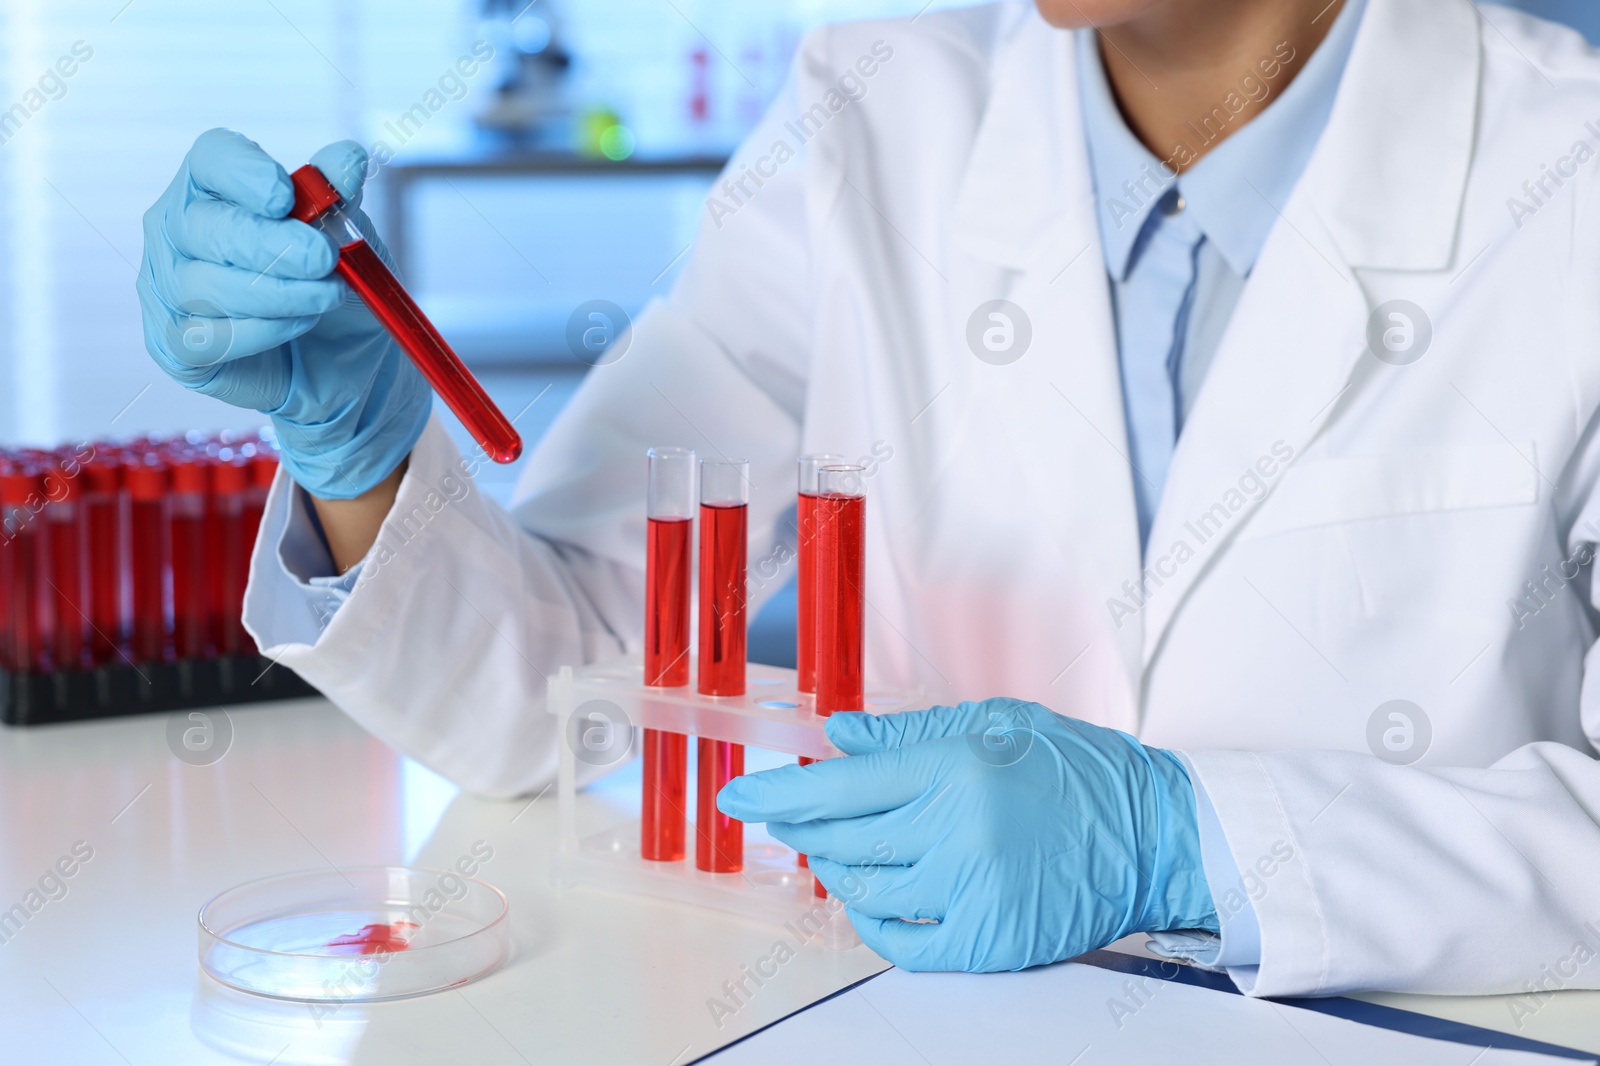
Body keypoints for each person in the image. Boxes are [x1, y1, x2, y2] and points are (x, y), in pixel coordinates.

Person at [138, 0, 1600, 999]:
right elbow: (555, 686)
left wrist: (1190, 838)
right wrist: (362, 460)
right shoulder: (871, 120)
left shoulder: (1568, 174)